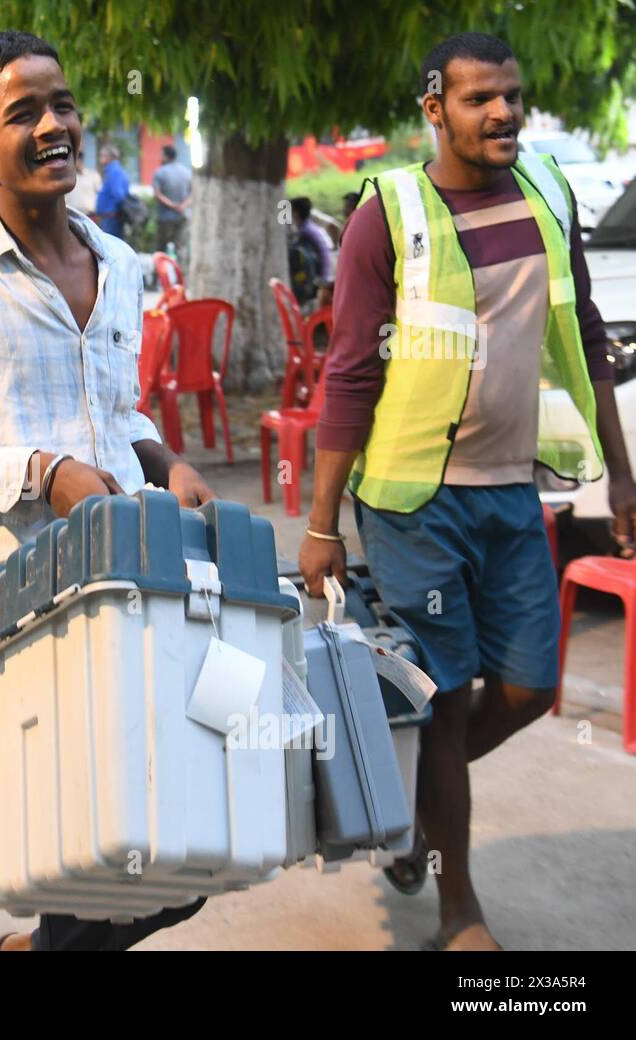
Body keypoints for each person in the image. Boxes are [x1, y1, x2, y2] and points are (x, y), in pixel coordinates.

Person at [0, 30, 216, 952]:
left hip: (138, 582)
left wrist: (164, 462)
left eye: (61, 104)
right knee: (91, 854)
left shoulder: (120, 261)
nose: (55, 124)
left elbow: (120, 407)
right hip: (24, 605)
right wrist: (39, 472)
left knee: (183, 854)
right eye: (22, 112)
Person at [299, 32, 636, 952]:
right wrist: (321, 521)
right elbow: (349, 372)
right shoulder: (389, 213)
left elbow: (588, 331)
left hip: (514, 488)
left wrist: (621, 468)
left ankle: (409, 804)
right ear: (434, 107)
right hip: (414, 500)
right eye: (480, 98)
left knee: (530, 687)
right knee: (447, 697)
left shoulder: (549, 193)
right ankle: (458, 910)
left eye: (513, 98)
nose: (503, 114)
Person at [289, 196, 334, 302]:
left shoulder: (304, 232)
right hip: (324, 274)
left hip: (318, 280)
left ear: (296, 213)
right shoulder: (309, 227)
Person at [151, 144, 191, 256]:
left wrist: (173, 205)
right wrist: (182, 206)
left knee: (162, 248)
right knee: (180, 247)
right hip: (183, 215)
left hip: (165, 217)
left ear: (165, 156)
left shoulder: (160, 172)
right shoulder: (186, 172)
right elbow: (193, 193)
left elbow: (158, 194)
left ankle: (161, 272)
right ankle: (180, 271)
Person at [93, 143, 130, 239]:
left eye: (102, 155)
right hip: (110, 217)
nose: (99, 158)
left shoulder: (114, 172)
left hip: (111, 218)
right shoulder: (112, 171)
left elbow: (119, 195)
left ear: (109, 157)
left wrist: (114, 212)